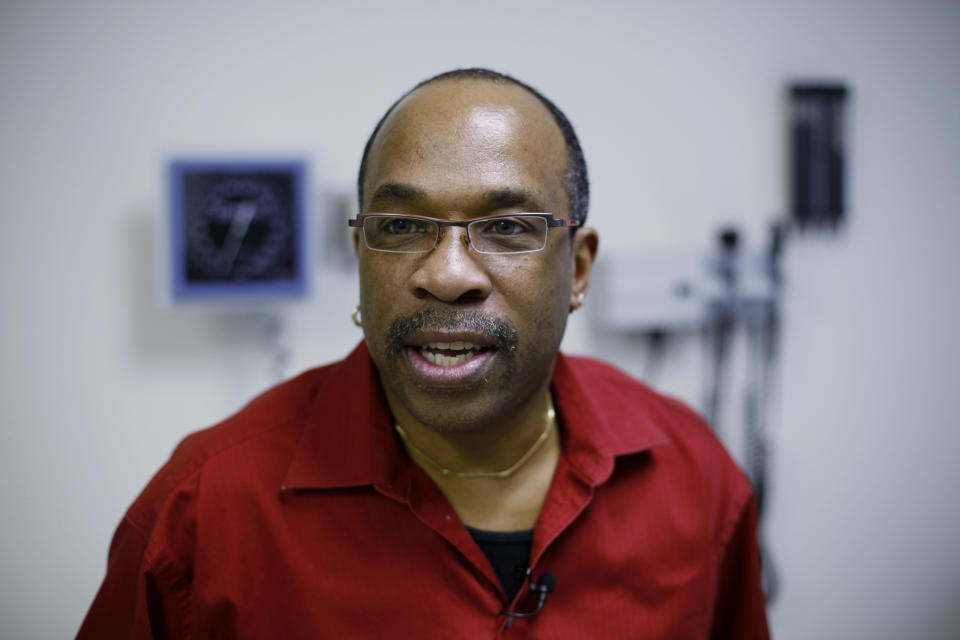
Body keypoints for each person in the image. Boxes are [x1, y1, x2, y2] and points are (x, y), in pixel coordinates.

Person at [79, 68, 770, 639]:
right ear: (360, 255)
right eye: (402, 225)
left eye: (507, 227)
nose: (446, 274)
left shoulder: (694, 475)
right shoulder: (201, 515)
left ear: (579, 270)